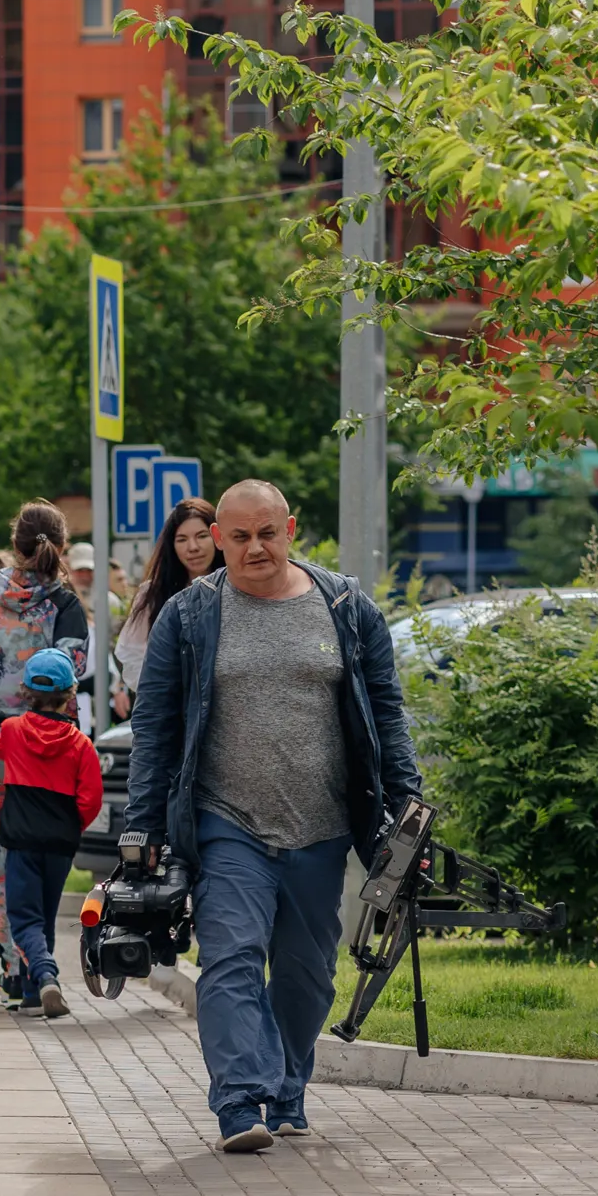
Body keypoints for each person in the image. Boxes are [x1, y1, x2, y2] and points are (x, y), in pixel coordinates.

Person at [121, 480, 423, 1153]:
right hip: (227, 822)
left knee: (307, 971)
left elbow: (387, 716)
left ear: (291, 527)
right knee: (230, 956)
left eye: (267, 533)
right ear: (218, 539)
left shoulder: (345, 607)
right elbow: (156, 728)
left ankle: (287, 1088)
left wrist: (406, 807)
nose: (255, 548)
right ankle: (238, 1103)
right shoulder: (191, 615)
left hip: (322, 826)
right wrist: (142, 828)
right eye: (239, 537)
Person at [0, 502, 91, 990]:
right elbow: (73, 671)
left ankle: (16, 970)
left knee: (5, 853)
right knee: (50, 849)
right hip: (55, 742)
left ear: (14, 542)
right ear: (59, 546)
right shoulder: (65, 605)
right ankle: (42, 964)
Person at [0, 648, 101, 1017]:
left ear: (24, 691)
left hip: (21, 840)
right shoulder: (81, 745)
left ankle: (46, 976)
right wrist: (70, 826)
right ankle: (34, 992)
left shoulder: (12, 731)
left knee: (23, 919)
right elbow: (91, 800)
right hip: (60, 845)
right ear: (70, 694)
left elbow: (0, 751)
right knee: (44, 915)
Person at [114, 496, 222, 718]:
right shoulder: (153, 594)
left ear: (218, 538)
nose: (193, 547)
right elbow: (131, 654)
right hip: (173, 716)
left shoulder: (236, 587)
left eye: (202, 536)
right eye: (182, 539)